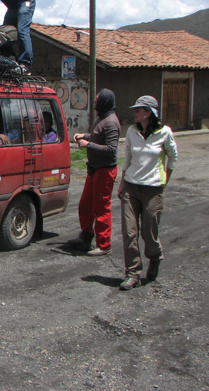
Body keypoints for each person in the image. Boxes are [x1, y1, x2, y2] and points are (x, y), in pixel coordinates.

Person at [117, 96, 178, 291]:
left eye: (138, 110)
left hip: (153, 190)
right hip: (131, 188)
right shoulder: (132, 132)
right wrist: (122, 182)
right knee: (129, 232)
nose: (134, 113)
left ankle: (155, 257)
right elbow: (127, 158)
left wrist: (165, 178)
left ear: (148, 113)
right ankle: (132, 273)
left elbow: (172, 156)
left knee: (148, 232)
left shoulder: (164, 133)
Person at [66, 89, 120, 256]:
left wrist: (87, 144)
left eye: (98, 98)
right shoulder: (102, 118)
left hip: (104, 171)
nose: (95, 100)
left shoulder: (110, 122)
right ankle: (86, 237)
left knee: (101, 207)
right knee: (85, 205)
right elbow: (99, 137)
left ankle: (104, 245)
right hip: (94, 169)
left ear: (104, 101)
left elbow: (111, 149)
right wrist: (87, 136)